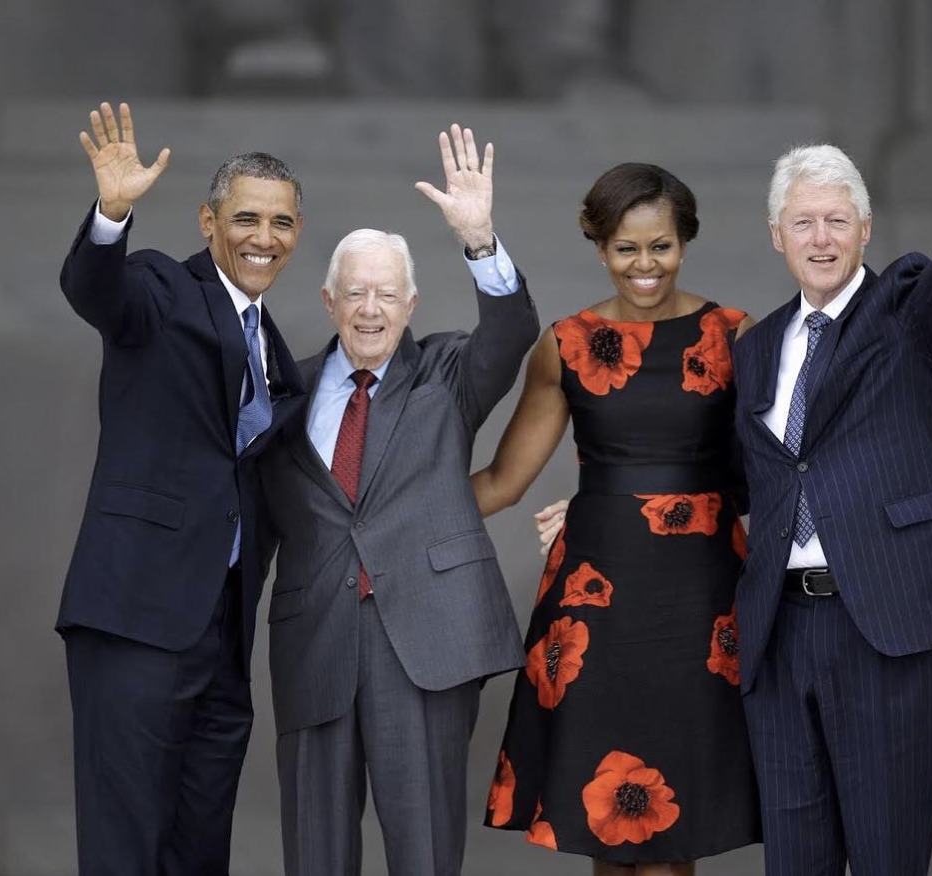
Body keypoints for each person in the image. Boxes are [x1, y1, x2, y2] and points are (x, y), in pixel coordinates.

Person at [730, 30, 932, 876]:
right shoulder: (755, 349)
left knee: (886, 855)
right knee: (795, 858)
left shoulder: (908, 312)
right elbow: (744, 475)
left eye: (838, 221)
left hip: (885, 624)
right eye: (805, 222)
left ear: (866, 230)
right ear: (777, 237)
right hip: (778, 631)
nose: (822, 237)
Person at [258, 124, 539, 876]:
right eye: (356, 292)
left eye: (387, 293)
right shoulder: (286, 395)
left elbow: (512, 332)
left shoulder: (448, 375)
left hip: (425, 644)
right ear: (329, 301)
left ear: (411, 302)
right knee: (315, 856)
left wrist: (479, 238)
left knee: (424, 854)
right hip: (314, 644)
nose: (371, 308)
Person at [473, 163, 761, 874]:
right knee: (605, 818)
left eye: (660, 245)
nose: (645, 265)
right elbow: (505, 482)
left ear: (684, 242)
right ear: (600, 248)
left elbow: (772, 473)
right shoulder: (565, 344)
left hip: (702, 601)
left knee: (671, 823)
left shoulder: (735, 336)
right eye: (626, 248)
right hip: (596, 600)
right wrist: (389, 516)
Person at [58, 102, 306, 875]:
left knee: (200, 846)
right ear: (207, 221)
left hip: (223, 628)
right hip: (136, 613)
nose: (264, 238)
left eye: (282, 223)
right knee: (126, 840)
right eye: (246, 218)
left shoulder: (276, 346)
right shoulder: (162, 290)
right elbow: (97, 290)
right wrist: (111, 213)